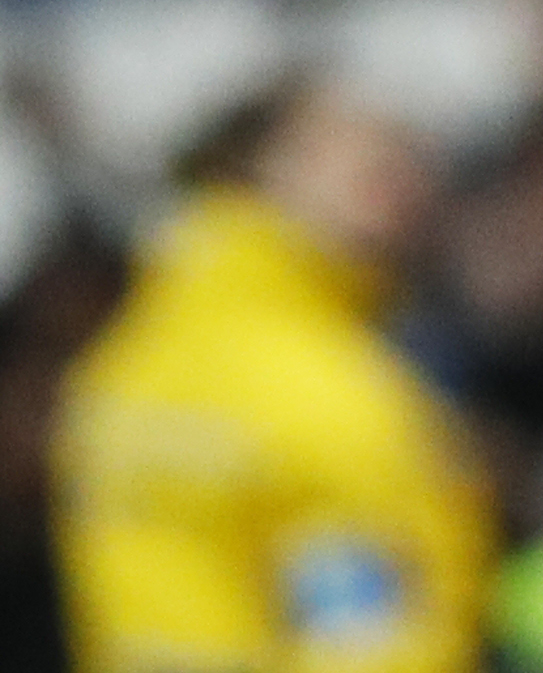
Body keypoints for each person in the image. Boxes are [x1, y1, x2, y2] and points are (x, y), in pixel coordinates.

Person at [50, 84, 495, 673]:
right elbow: (380, 646)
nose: (408, 179)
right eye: (370, 153)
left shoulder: (126, 356)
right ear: (264, 164)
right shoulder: (334, 388)